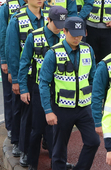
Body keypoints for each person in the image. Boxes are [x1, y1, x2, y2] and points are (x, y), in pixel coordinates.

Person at [39, 17, 99, 170]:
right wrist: (48, 111)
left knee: (93, 141)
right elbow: (44, 83)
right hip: (62, 108)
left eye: (80, 34)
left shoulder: (88, 49)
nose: (77, 38)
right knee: (59, 150)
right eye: (73, 34)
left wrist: (96, 105)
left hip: (84, 107)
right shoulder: (53, 53)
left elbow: (93, 78)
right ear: (64, 31)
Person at [17, 6, 67, 170]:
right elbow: (24, 63)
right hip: (39, 88)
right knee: (37, 129)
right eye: (57, 23)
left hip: (59, 88)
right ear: (49, 20)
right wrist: (23, 88)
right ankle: (32, 163)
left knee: (57, 129)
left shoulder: (65, 37)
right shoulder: (34, 37)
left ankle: (57, 162)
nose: (60, 27)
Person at [6, 0, 48, 161]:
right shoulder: (17, 19)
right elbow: (13, 52)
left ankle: (46, 144)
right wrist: (16, 79)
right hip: (28, 76)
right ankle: (24, 149)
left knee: (46, 113)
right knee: (27, 114)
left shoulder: (50, 16)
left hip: (48, 76)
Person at [0, 0, 34, 139]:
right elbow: (3, 36)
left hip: (30, 63)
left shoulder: (36, 6)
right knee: (11, 96)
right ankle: (12, 128)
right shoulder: (7, 7)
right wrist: (4, 61)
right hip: (12, 60)